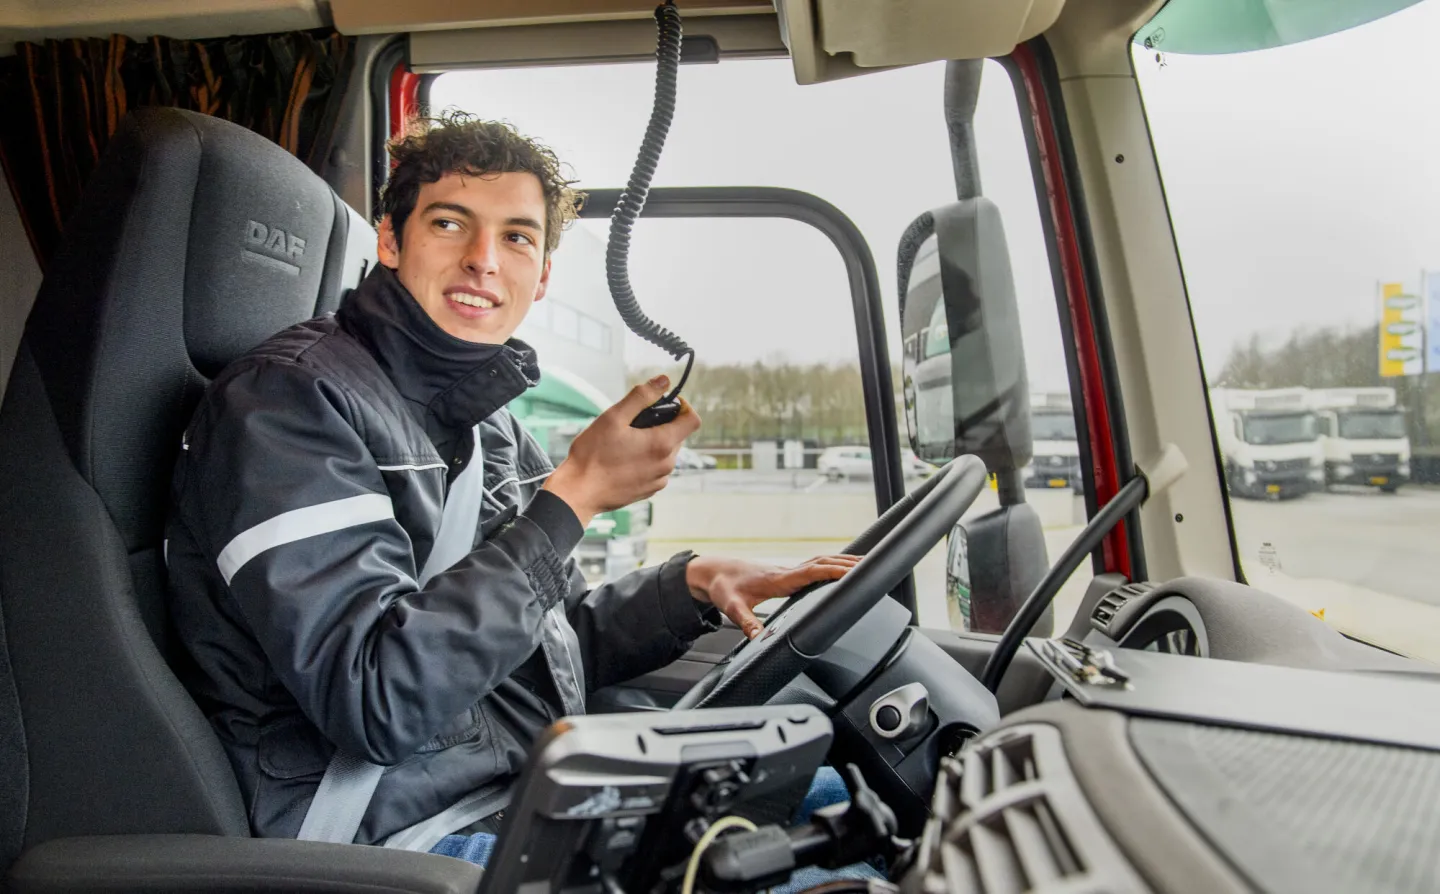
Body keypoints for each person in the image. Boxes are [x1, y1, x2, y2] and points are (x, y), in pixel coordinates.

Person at [163, 112, 869, 878]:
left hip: (524, 788)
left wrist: (692, 584)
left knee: (855, 795)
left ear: (543, 275)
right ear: (391, 241)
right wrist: (573, 499)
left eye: (517, 238)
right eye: (449, 223)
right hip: (402, 840)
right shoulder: (286, 406)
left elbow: (552, 641)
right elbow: (376, 698)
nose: (482, 261)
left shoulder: (486, 420)